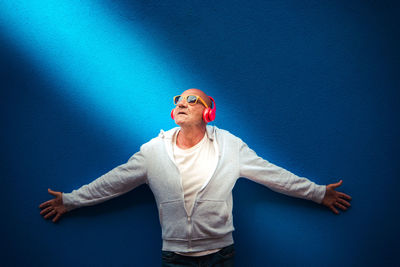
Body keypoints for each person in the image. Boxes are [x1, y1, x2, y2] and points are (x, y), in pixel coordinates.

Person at [39, 88, 352, 266]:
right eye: (177, 100)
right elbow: (113, 181)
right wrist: (70, 201)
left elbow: (273, 175)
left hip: (221, 254)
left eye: (191, 100)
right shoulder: (152, 151)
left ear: (208, 112)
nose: (181, 103)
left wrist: (317, 193)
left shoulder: (229, 145)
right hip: (174, 256)